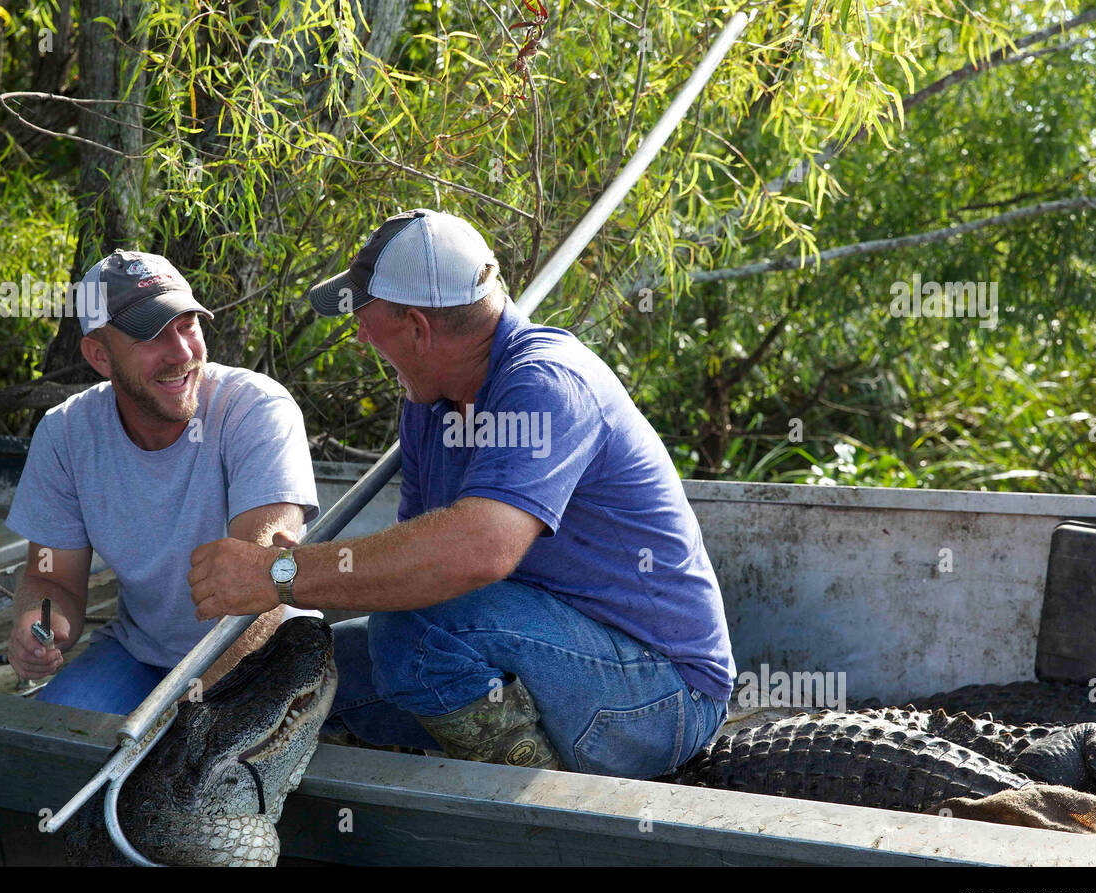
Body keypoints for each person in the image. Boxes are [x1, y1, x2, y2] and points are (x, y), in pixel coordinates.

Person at [188, 209, 736, 779]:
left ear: (418, 328)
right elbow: (411, 577)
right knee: (307, 666)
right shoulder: (431, 405)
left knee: (415, 634)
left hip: (662, 693)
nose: (358, 335)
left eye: (365, 319)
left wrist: (280, 574)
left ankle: (532, 821)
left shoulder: (546, 381)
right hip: (537, 651)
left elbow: (478, 551)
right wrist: (298, 577)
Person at [5, 250, 320, 715]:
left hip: (262, 653)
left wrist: (177, 720)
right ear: (99, 355)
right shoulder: (65, 433)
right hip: (141, 655)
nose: (181, 352)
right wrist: (40, 622)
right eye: (150, 334)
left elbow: (264, 584)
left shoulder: (255, 410)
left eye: (187, 324)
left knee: (185, 766)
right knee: (55, 748)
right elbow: (51, 577)